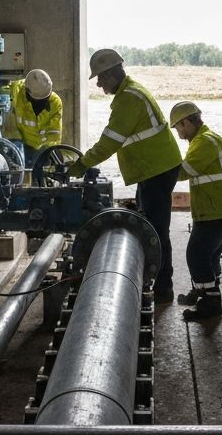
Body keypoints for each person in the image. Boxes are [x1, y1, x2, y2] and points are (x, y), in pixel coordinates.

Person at [71, 49, 182, 302]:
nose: (98, 84)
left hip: (157, 169)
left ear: (112, 73)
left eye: (100, 78)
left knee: (156, 229)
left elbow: (110, 142)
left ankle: (164, 287)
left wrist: (82, 164)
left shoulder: (128, 99)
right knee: (149, 223)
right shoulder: (131, 91)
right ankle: (154, 280)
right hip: (154, 168)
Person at [169, 101, 222, 320]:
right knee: (209, 254)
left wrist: (157, 168)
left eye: (178, 127)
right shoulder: (204, 139)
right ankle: (203, 291)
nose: (178, 132)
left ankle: (211, 302)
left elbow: (183, 172)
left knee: (197, 254)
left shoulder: (205, 142)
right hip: (219, 206)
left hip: (220, 208)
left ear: (187, 122)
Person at [3, 68, 62, 183]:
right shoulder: (16, 93)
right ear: (28, 92)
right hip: (20, 144)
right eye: (39, 101)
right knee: (19, 179)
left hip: (43, 148)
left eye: (45, 99)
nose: (42, 103)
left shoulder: (55, 102)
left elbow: (54, 135)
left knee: (41, 180)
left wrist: (48, 154)